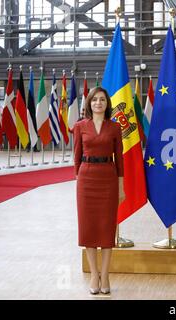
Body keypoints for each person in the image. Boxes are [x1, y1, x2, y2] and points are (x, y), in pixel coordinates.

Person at [73, 87, 125, 295]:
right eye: (95, 100)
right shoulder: (79, 126)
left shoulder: (115, 127)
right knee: (89, 228)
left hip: (108, 179)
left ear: (107, 104)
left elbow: (120, 160)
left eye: (102, 100)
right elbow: (76, 157)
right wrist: (80, 180)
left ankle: (106, 275)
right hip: (86, 180)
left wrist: (121, 188)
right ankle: (94, 274)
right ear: (89, 103)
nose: (98, 103)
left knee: (106, 229)